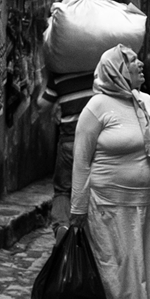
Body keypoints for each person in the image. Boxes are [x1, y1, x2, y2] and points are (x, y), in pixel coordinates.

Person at [70, 45, 150, 299]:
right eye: (133, 60)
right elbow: (81, 161)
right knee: (111, 268)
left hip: (147, 203)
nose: (140, 63)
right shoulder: (97, 107)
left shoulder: (147, 102)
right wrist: (77, 208)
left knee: (139, 268)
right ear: (116, 71)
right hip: (107, 204)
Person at [35, 70, 96, 243]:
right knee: (93, 187)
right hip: (95, 142)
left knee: (63, 190)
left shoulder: (60, 78)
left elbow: (42, 105)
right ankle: (89, 233)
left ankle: (62, 225)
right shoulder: (99, 74)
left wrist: (46, 81)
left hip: (70, 141)